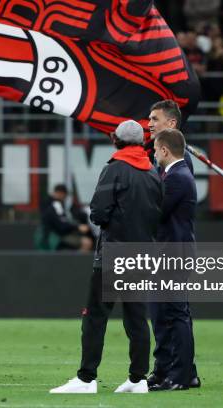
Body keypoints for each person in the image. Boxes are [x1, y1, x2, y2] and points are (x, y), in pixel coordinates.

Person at [50, 120, 162, 394]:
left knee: (95, 317)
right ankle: (138, 379)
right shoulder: (152, 173)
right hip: (142, 256)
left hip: (113, 256)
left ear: (115, 140)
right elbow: (158, 216)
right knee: (137, 319)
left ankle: (87, 378)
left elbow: (98, 213)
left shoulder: (114, 169)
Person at [148, 129, 200, 391]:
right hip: (169, 253)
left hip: (174, 254)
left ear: (165, 150)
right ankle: (171, 371)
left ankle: (181, 376)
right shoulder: (175, 175)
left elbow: (156, 212)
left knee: (176, 315)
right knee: (165, 313)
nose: (154, 154)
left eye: (156, 150)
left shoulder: (177, 177)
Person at [38, 184, 93, 252]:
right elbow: (61, 225)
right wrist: (77, 227)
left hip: (53, 233)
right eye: (65, 195)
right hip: (55, 236)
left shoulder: (49, 203)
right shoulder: (56, 205)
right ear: (60, 193)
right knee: (87, 243)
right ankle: (77, 262)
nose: (65, 197)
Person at [147, 100, 195, 174]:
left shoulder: (178, 156)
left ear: (171, 123)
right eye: (150, 119)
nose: (149, 124)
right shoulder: (156, 152)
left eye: (155, 119)